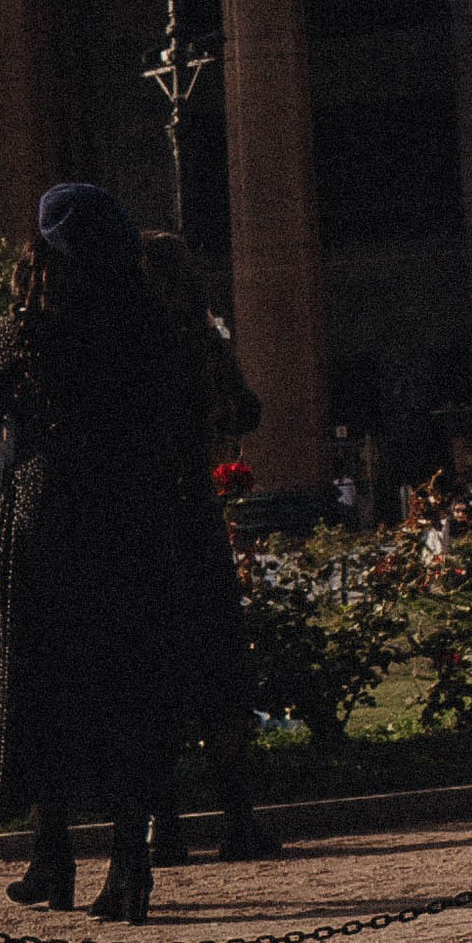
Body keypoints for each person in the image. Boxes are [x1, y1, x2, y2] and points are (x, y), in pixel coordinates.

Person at [0, 184, 183, 920]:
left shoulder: (21, 330)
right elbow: (185, 422)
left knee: (40, 694)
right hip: (134, 521)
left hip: (41, 526)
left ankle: (51, 854)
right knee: (127, 691)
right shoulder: (151, 325)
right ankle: (128, 863)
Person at [139, 231, 279, 865]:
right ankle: (237, 821)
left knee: (152, 673)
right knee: (217, 668)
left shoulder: (119, 339)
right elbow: (246, 410)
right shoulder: (197, 338)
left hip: (136, 520)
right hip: (192, 511)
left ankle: (163, 827)